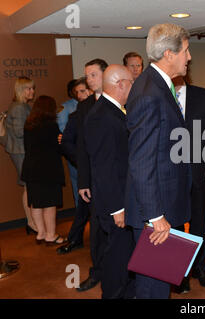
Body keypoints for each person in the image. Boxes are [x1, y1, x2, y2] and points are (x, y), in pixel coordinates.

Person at [125, 23, 192, 299]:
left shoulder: (156, 86)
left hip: (162, 205)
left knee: (161, 282)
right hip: (155, 212)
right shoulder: (149, 94)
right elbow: (141, 162)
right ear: (169, 53)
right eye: (186, 51)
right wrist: (156, 217)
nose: (189, 57)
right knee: (153, 288)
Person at [84, 65, 135, 299]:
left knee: (125, 254)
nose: (134, 87)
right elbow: (104, 168)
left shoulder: (113, 110)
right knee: (117, 258)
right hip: (116, 204)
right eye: (132, 82)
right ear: (120, 84)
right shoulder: (101, 115)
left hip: (123, 199)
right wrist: (118, 208)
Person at [58, 59, 109, 294]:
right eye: (86, 75)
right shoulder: (84, 107)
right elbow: (73, 145)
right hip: (96, 183)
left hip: (124, 181)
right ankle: (98, 272)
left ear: (105, 75)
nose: (89, 79)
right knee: (98, 231)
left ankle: (126, 275)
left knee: (124, 232)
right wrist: (86, 175)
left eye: (93, 75)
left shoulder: (123, 100)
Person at [172, 76, 205, 294]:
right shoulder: (159, 95)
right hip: (169, 175)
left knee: (198, 223)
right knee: (174, 226)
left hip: (199, 171)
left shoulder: (202, 95)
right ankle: (179, 272)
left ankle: (198, 267)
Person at [21, 95, 67, 245]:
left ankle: (40, 233)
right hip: (48, 170)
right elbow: (58, 146)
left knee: (36, 203)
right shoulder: (51, 126)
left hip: (31, 170)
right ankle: (51, 235)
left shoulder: (28, 125)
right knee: (49, 204)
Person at [4, 77, 38, 235]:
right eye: (28, 89)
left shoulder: (22, 106)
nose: (32, 91)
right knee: (28, 186)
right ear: (20, 90)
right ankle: (31, 222)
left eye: (32, 88)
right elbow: (19, 133)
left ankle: (32, 222)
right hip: (21, 151)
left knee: (29, 186)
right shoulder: (19, 107)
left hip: (22, 150)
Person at [57, 78, 91, 207]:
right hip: (76, 153)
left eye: (83, 91)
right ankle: (81, 211)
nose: (80, 95)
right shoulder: (66, 107)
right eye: (77, 92)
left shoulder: (95, 105)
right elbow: (63, 133)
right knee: (79, 184)